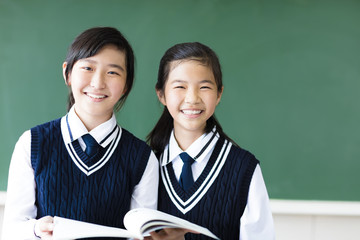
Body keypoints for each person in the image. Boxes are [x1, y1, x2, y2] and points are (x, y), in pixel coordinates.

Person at [1, 27, 159, 240]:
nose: (98, 83)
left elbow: (143, 235)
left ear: (126, 85)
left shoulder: (142, 158)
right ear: (67, 73)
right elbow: (11, 230)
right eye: (88, 68)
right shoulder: (32, 144)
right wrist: (37, 230)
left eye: (112, 72)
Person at [147, 42, 275, 240]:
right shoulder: (146, 163)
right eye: (180, 86)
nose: (192, 98)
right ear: (161, 94)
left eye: (204, 87)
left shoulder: (243, 169)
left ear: (219, 94)